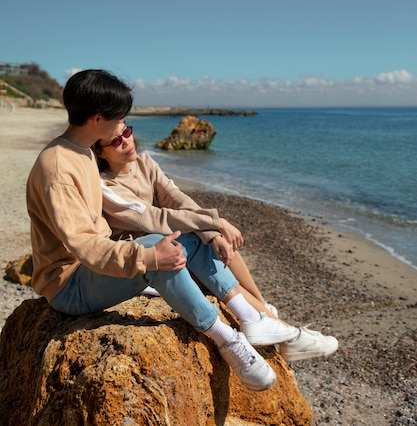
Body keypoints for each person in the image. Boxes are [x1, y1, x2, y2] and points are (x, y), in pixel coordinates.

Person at [27, 69, 293, 393]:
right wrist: (149, 255)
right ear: (97, 119)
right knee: (157, 250)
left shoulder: (81, 150)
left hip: (94, 268)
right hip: (69, 283)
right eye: (119, 118)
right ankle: (227, 338)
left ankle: (248, 316)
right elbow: (86, 246)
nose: (124, 127)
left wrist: (210, 227)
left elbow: (159, 213)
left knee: (186, 238)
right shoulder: (57, 168)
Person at [92, 125, 339, 363]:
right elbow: (155, 219)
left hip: (173, 246)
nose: (125, 141)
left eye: (126, 132)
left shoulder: (145, 162)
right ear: (100, 151)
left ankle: (265, 311)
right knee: (210, 252)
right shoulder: (107, 186)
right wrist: (215, 222)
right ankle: (290, 334)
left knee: (217, 246)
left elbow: (177, 199)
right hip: (150, 260)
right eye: (115, 141)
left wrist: (214, 232)